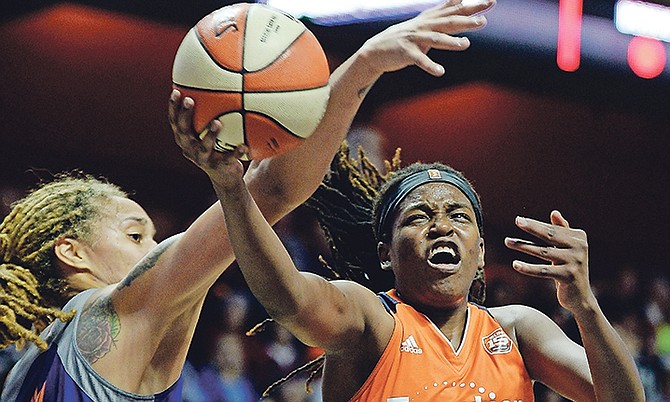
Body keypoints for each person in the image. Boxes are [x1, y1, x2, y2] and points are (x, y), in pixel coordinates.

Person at [0, 0, 492, 400]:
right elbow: (273, 192)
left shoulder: (24, 374)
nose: (158, 245)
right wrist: (365, 64)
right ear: (72, 252)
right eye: (134, 234)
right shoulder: (110, 314)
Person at [208, 108, 645, 401]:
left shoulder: (517, 330)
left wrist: (585, 304)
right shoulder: (372, 323)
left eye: (458, 215)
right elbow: (290, 300)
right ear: (386, 253)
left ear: (479, 254)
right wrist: (232, 189)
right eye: (418, 217)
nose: (441, 225)